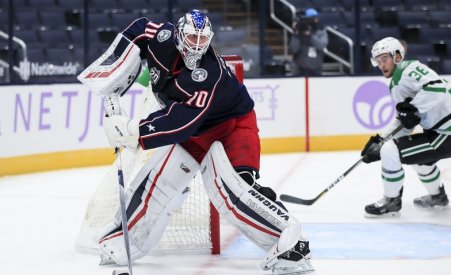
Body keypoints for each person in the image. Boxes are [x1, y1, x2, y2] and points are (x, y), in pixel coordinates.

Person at [79, 10, 313, 274]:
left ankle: (292, 244)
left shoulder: (208, 74)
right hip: (196, 131)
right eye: (192, 37)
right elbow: (139, 29)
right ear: (179, 33)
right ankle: (124, 240)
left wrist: (133, 130)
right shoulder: (164, 36)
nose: (197, 45)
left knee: (232, 193)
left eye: (203, 39)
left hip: (232, 127)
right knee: (156, 181)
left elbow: (179, 122)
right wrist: (113, 72)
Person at [361, 37, 451, 217]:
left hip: (448, 135)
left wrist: (413, 109)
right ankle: (438, 197)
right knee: (420, 161)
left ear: (397, 56)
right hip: (447, 134)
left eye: (385, 59)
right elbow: (406, 121)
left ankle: (392, 201)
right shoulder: (399, 80)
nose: (381, 65)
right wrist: (380, 140)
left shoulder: (409, 71)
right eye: (378, 61)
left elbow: (436, 88)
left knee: (390, 151)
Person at [289, 8, 328, 76]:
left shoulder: (321, 31)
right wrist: (297, 33)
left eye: (316, 18)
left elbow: (321, 45)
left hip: (316, 67)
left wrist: (309, 35)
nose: (315, 20)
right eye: (313, 18)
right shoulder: (299, 32)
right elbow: (294, 50)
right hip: (299, 68)